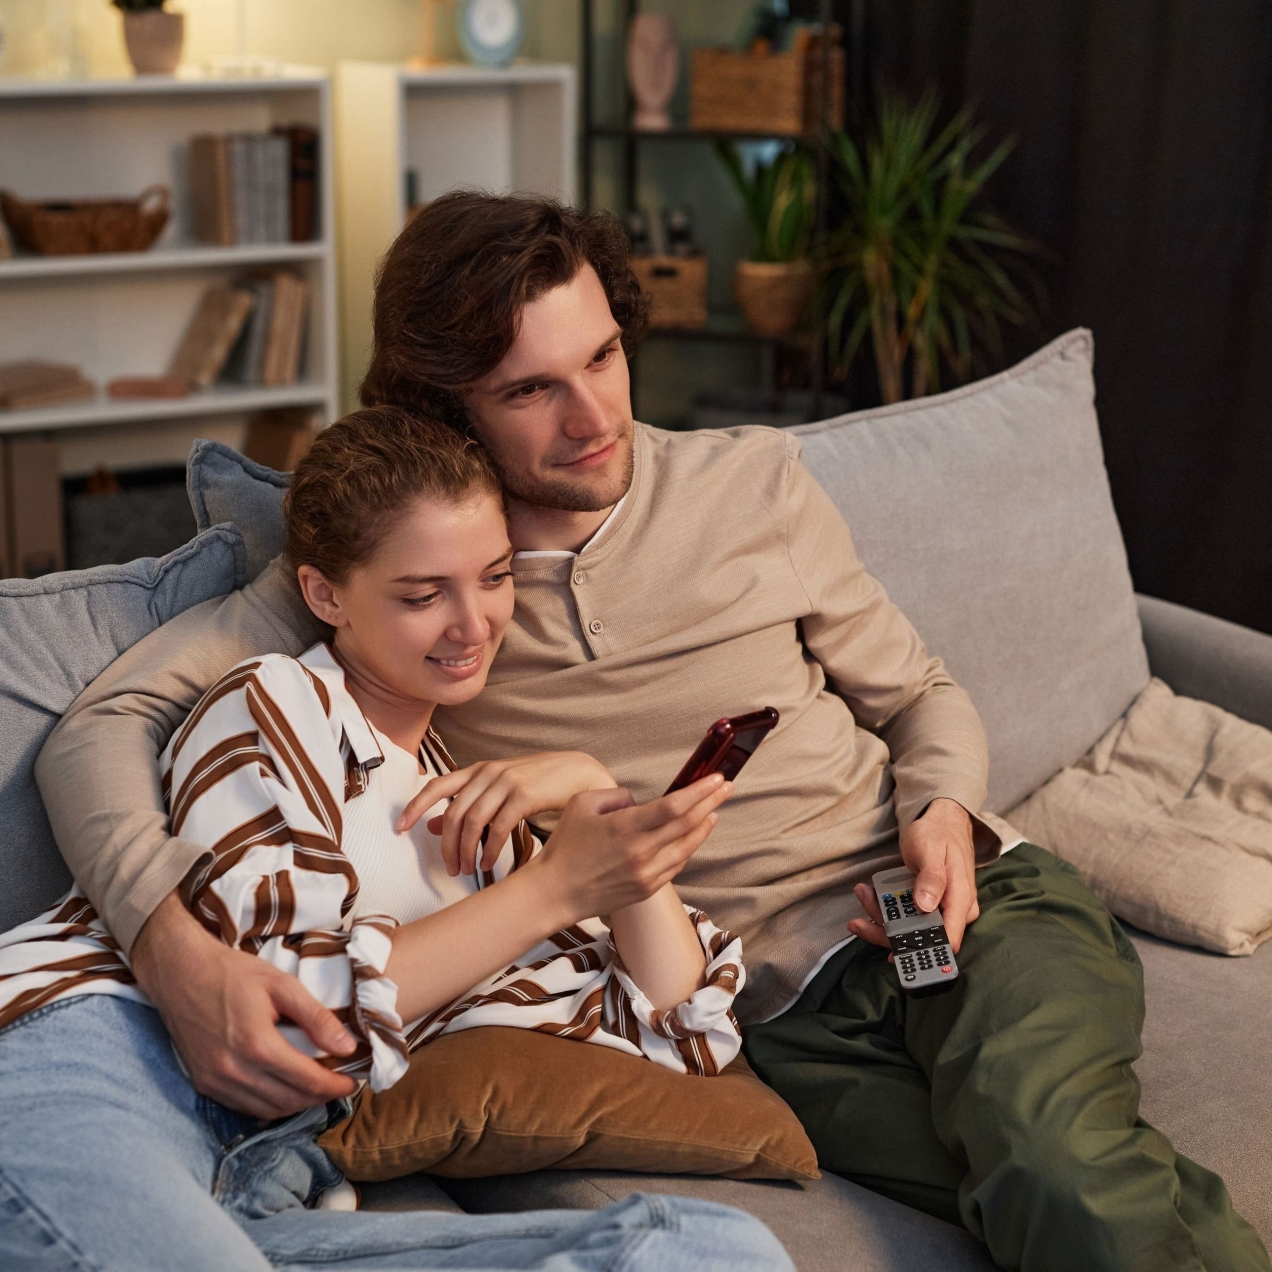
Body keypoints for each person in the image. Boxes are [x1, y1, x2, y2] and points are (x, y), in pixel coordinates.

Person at [32, 193, 1271, 1272]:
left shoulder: (756, 486)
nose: (593, 417)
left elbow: (923, 697)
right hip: (773, 1017)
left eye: (607, 357)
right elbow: (99, 725)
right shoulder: (417, 562)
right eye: (532, 389)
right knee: (1037, 1190)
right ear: (447, 408)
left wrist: (939, 806)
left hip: (962, 909)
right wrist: (171, 952)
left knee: (1052, 1164)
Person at [0, 410, 787, 1272]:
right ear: (324, 595)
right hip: (100, 1057)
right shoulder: (277, 704)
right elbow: (281, 1018)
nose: (474, 624)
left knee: (712, 1248)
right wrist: (554, 891)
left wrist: (594, 792)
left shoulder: (483, 818)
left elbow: (689, 1039)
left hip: (267, 1171)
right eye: (422, 595)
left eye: (493, 577)